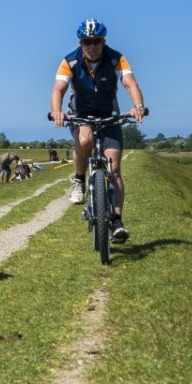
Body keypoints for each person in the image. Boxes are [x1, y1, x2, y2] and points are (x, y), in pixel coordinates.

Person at [50, 18, 146, 243]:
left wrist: (138, 106)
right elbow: (58, 89)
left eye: (96, 41)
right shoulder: (70, 61)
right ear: (80, 42)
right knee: (84, 140)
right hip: (81, 113)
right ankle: (79, 180)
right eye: (86, 41)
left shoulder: (116, 58)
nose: (91, 46)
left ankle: (117, 221)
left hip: (109, 115)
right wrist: (57, 112)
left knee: (114, 169)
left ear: (104, 41)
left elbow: (130, 83)